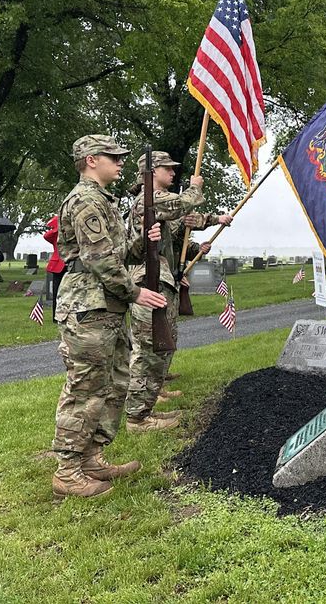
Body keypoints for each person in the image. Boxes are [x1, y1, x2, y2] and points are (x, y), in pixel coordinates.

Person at [51, 134, 168, 500]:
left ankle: (91, 457)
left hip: (106, 308)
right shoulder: (85, 200)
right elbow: (100, 260)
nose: (120, 163)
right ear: (90, 160)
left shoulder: (103, 201)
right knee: (85, 388)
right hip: (88, 308)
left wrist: (143, 242)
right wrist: (135, 292)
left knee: (113, 384)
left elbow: (116, 254)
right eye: (112, 157)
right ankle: (67, 471)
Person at [126, 150, 231, 432]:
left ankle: (145, 407)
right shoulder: (149, 201)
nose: (173, 173)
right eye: (167, 169)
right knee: (147, 349)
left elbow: (184, 220)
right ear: (152, 172)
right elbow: (183, 206)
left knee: (160, 345)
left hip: (161, 278)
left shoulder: (158, 203)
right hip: (148, 280)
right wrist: (195, 187)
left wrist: (214, 220)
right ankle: (137, 416)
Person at [43, 215, 67, 320]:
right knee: (56, 291)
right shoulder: (55, 234)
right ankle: (55, 316)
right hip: (57, 265)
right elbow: (46, 236)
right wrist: (58, 229)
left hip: (68, 264)